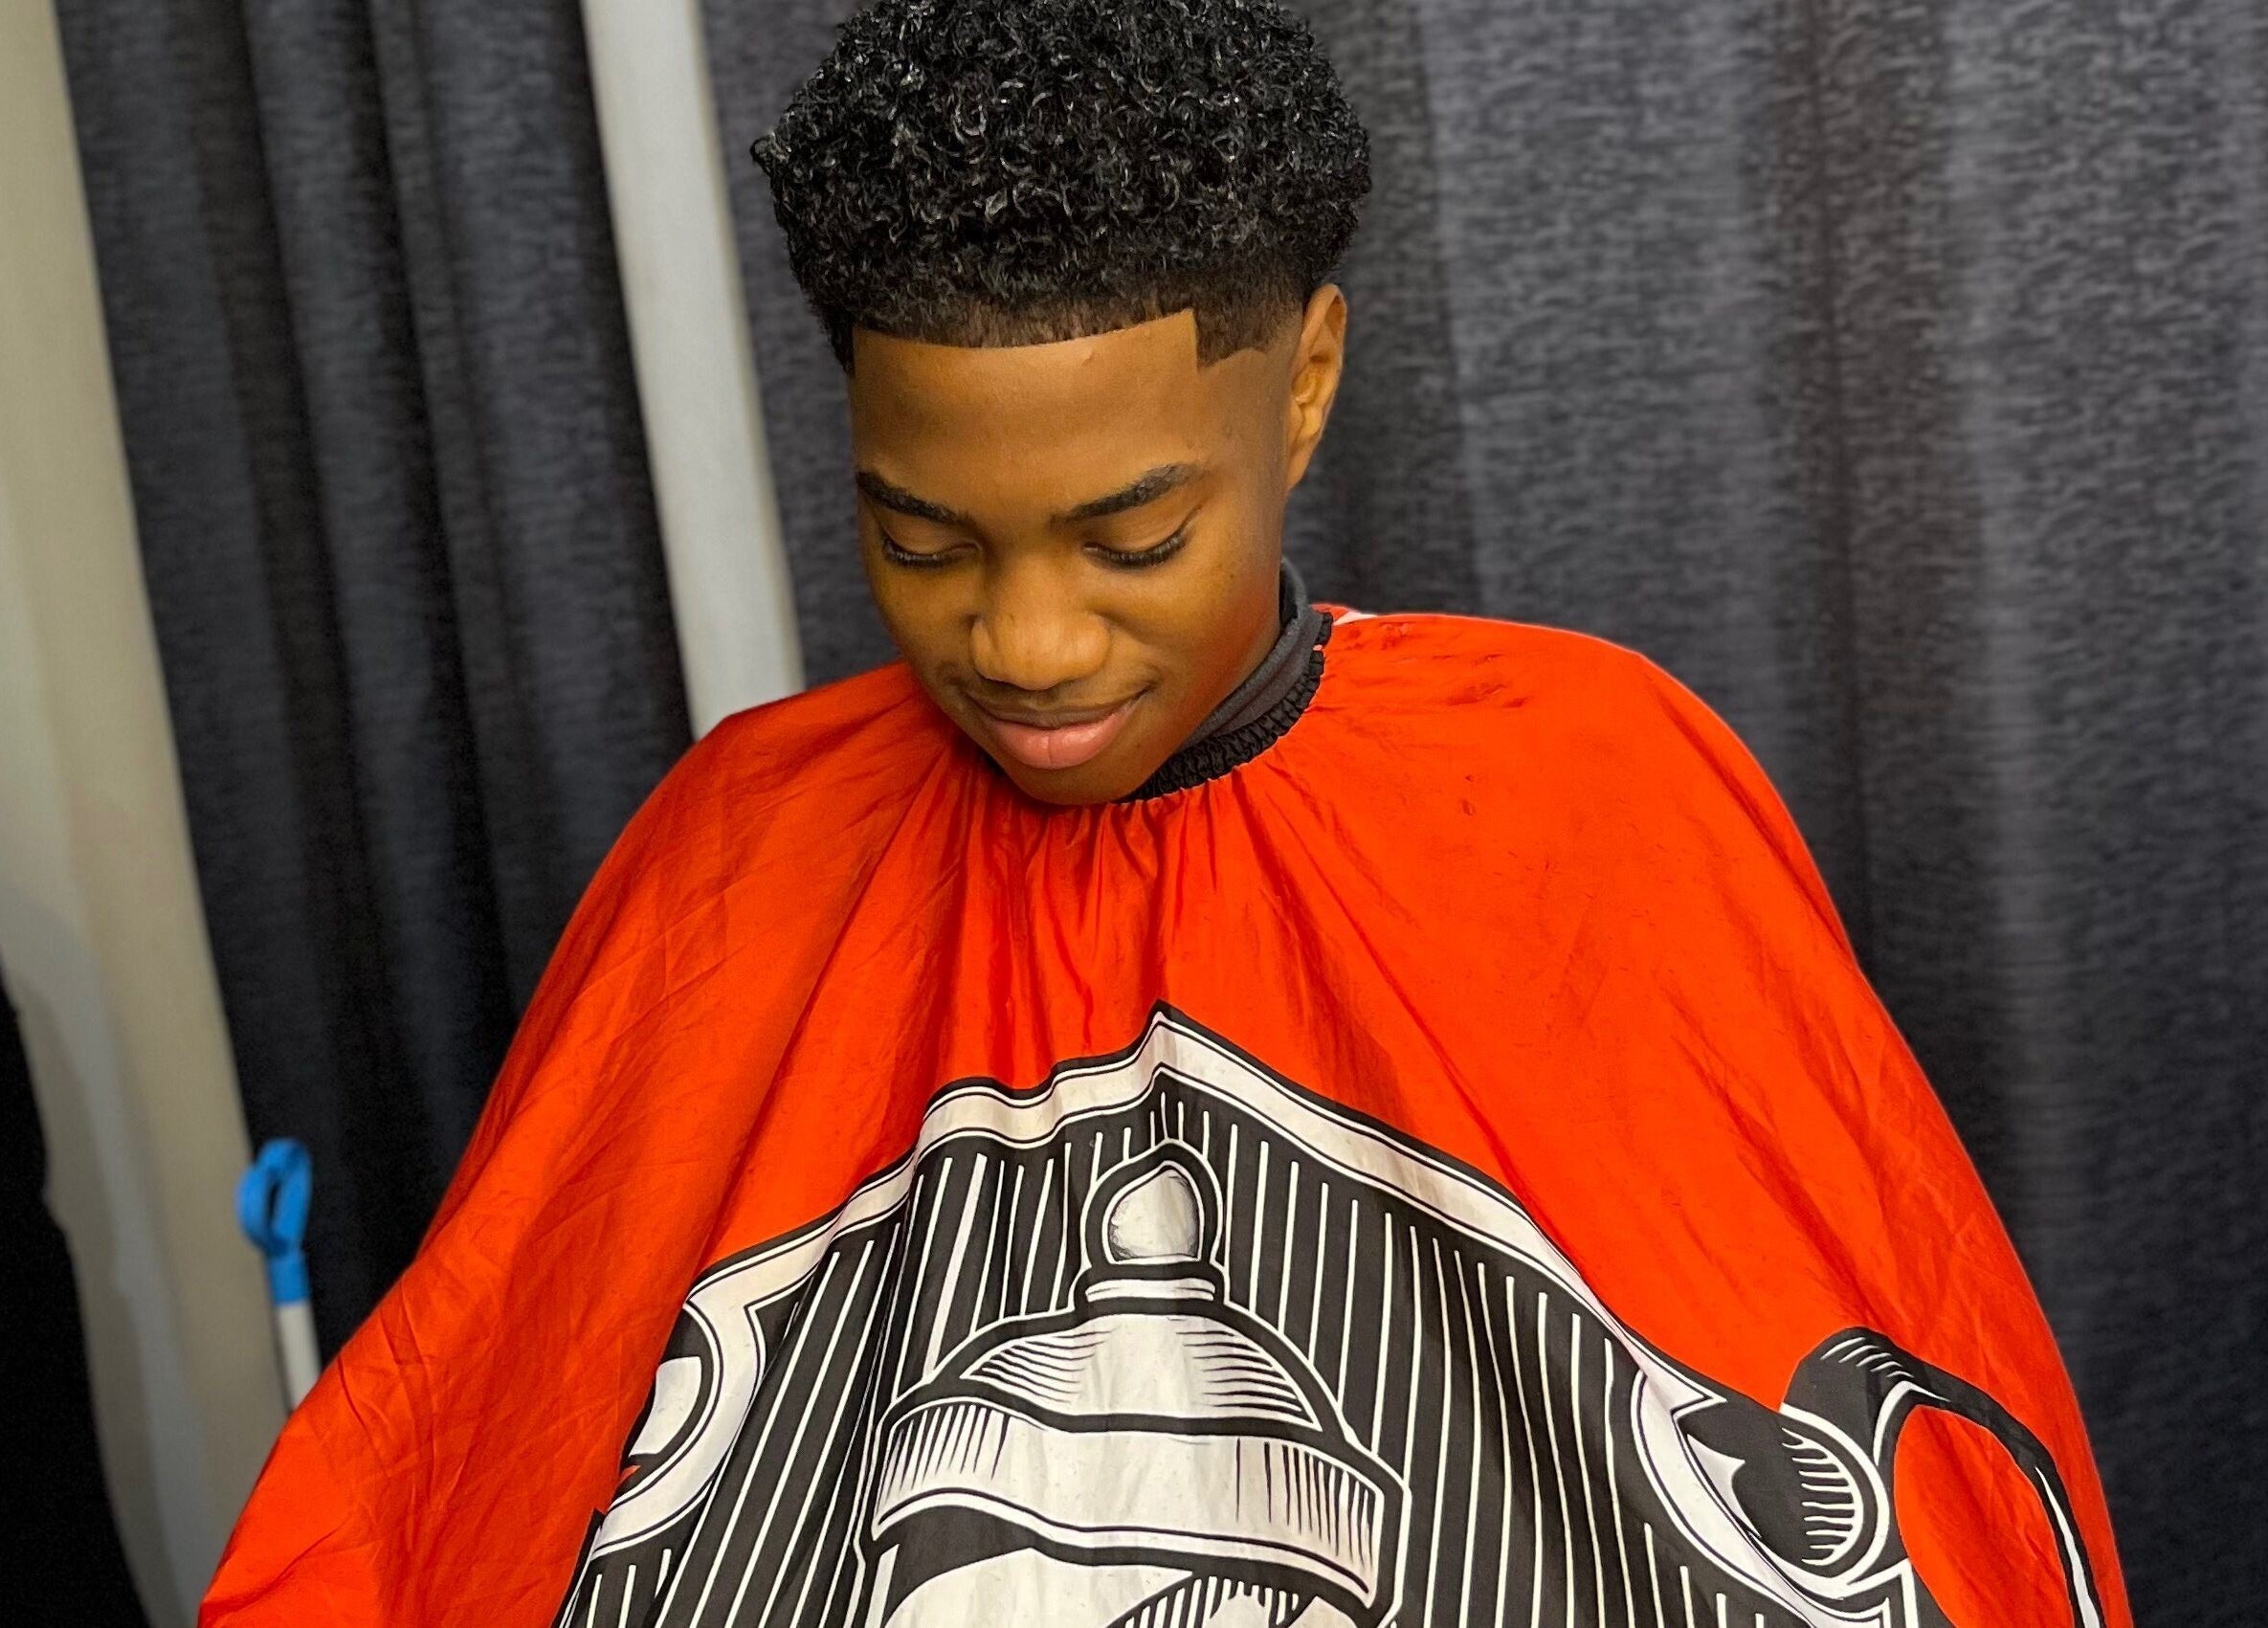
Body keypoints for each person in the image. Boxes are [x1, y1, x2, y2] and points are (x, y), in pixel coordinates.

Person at [203, 3, 2128, 1625]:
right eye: (919, 538)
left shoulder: (1579, 784)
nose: (1026, 641)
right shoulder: (741, 846)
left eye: (1135, 538)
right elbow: (470, 1465)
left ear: (1301, 388)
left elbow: (1901, 1458)